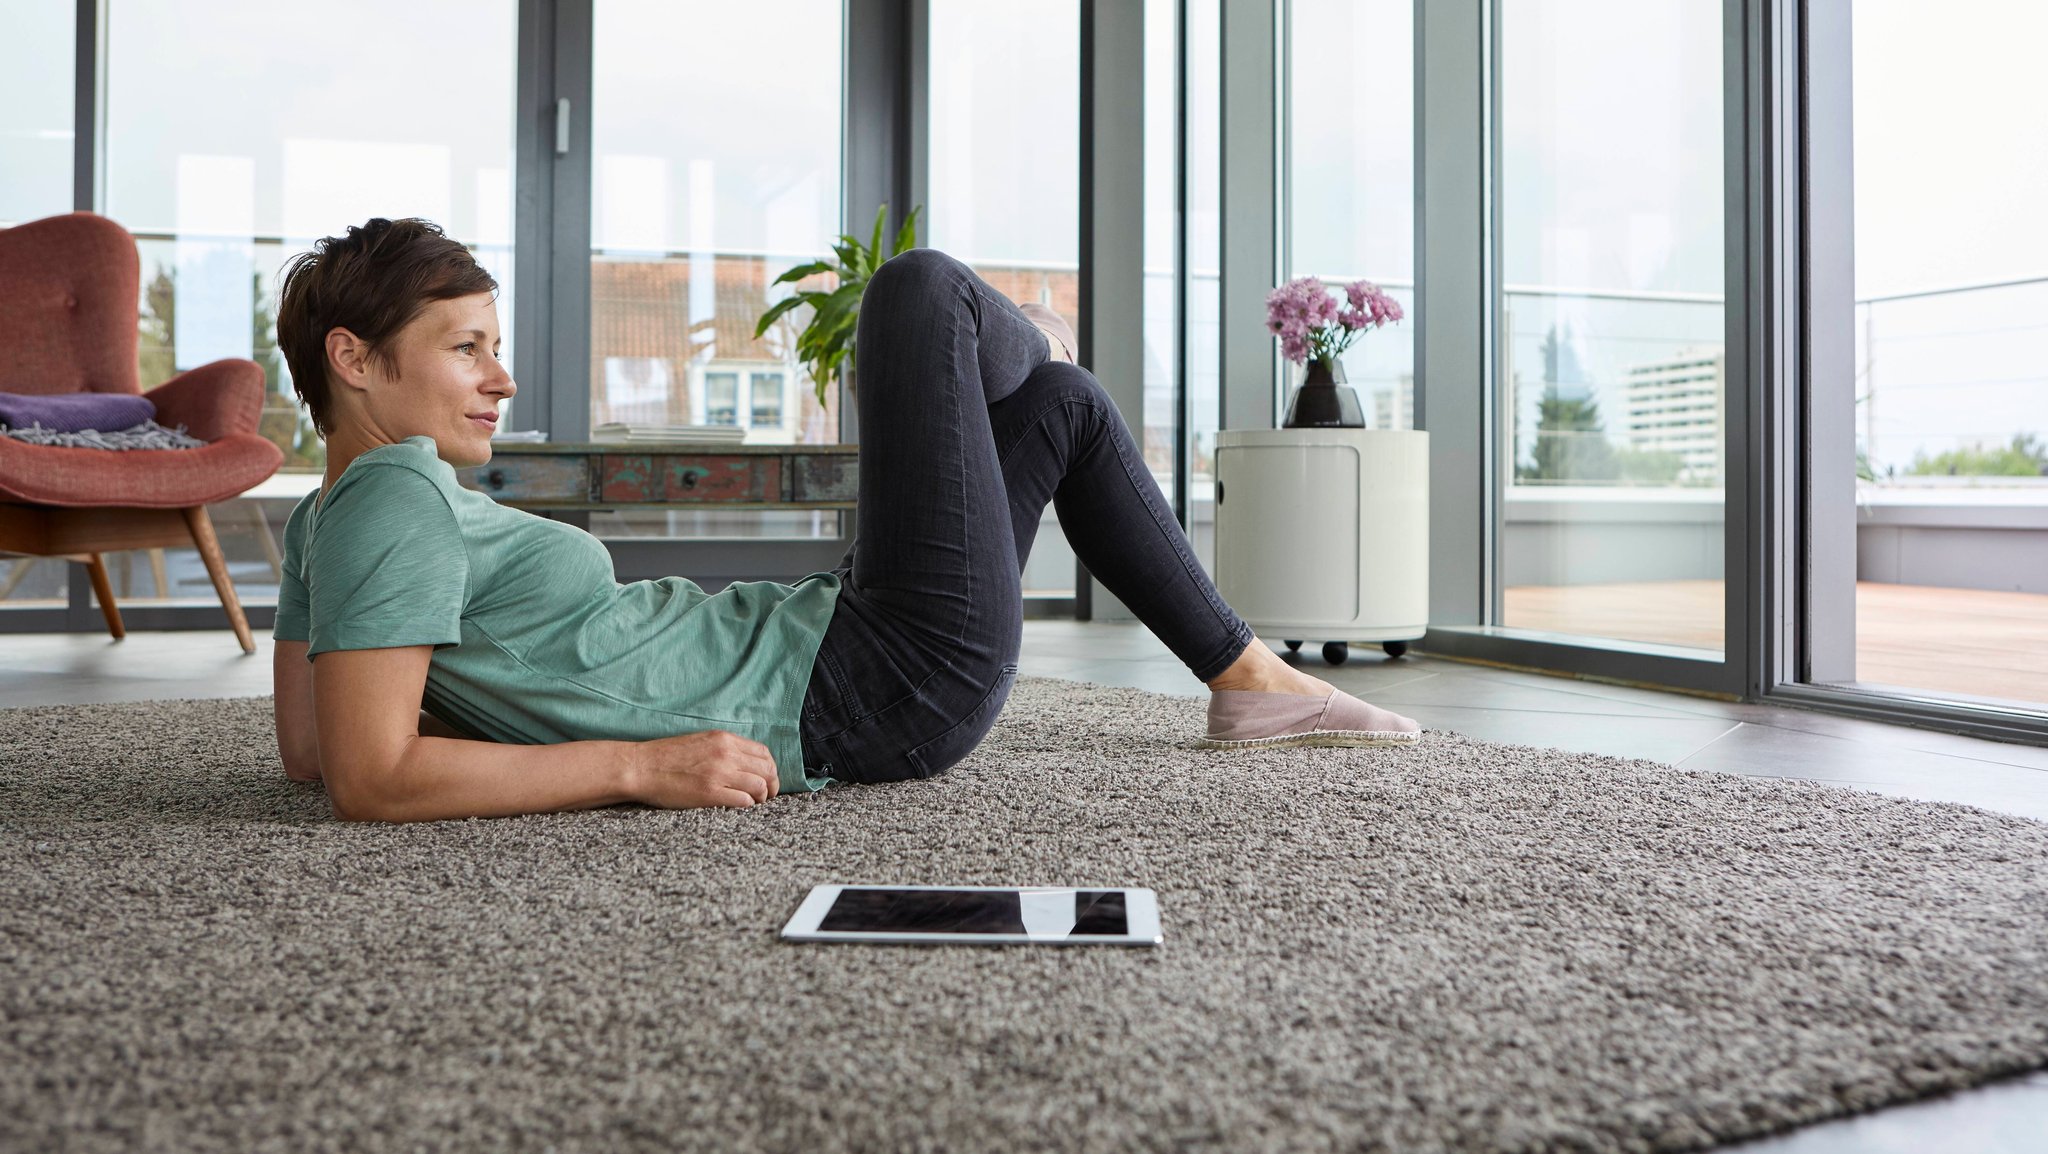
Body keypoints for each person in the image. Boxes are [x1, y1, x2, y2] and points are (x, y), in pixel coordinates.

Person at [270, 218, 1420, 823]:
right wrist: (633, 762)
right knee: (918, 292)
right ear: (354, 360)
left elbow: (313, 750)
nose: (501, 379)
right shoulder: (398, 501)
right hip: (867, 688)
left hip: (830, 643)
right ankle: (1032, 339)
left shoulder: (329, 515)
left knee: (1062, 411)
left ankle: (1247, 681)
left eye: (495, 344)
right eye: (466, 348)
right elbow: (371, 778)